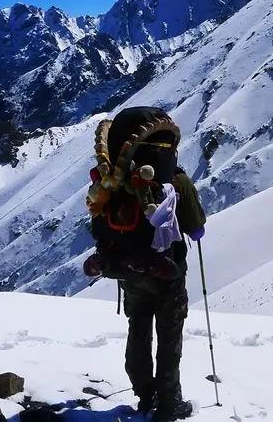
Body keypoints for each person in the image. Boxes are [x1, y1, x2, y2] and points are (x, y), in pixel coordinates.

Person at [83, 106, 206, 421]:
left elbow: (97, 221)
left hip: (130, 272)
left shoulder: (114, 184)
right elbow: (196, 226)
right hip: (168, 271)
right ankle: (169, 403)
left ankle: (144, 394)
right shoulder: (175, 182)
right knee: (169, 337)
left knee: (138, 330)